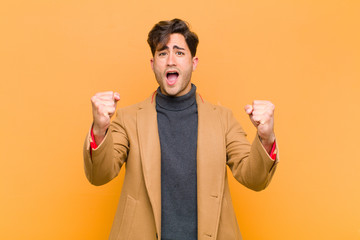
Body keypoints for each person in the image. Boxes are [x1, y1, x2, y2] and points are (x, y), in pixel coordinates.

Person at [83, 18, 279, 240]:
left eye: (179, 52)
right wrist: (100, 130)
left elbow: (254, 178)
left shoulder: (223, 119)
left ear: (194, 62)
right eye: (162, 53)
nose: (170, 61)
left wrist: (266, 138)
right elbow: (99, 175)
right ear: (153, 63)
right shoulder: (128, 119)